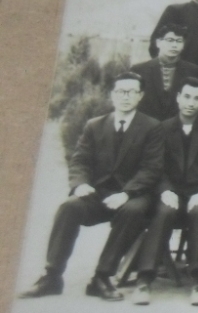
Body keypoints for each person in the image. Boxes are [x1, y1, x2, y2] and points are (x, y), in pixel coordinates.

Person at [20, 72, 164, 301]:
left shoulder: (152, 127)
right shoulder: (95, 125)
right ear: (112, 94)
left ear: (140, 96)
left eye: (131, 92)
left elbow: (152, 168)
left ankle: (101, 277)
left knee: (133, 210)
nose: (125, 96)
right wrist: (80, 185)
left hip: (133, 195)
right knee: (69, 207)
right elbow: (80, 160)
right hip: (99, 193)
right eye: (120, 91)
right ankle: (52, 276)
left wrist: (126, 193)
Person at [131, 76, 198, 306]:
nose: (191, 103)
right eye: (186, 96)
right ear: (178, 98)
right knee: (164, 211)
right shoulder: (162, 128)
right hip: (172, 192)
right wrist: (165, 190)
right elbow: (155, 166)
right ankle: (144, 279)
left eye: (197, 98)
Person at [133, 23, 198, 121]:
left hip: (178, 125)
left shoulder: (193, 71)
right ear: (158, 42)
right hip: (146, 125)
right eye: (170, 40)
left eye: (179, 41)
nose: (174, 45)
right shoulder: (139, 70)